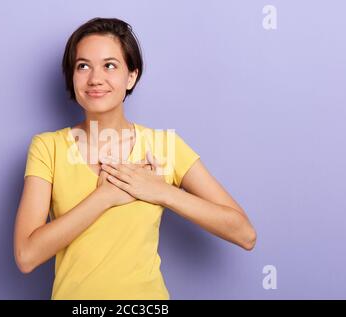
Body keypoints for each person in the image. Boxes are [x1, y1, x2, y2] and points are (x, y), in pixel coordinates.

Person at [13, 17, 257, 300]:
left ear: (131, 76)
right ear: (72, 76)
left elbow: (245, 234)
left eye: (110, 65)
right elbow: (26, 256)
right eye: (83, 66)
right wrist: (104, 197)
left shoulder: (163, 146)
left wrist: (160, 191)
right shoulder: (47, 147)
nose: (95, 78)